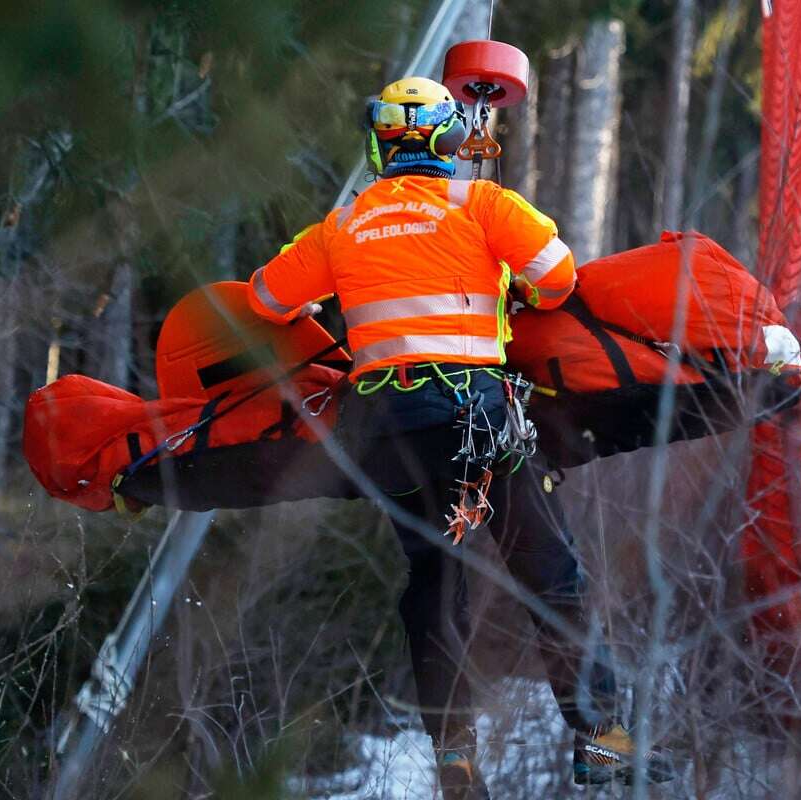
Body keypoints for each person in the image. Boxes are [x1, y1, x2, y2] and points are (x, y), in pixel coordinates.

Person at [247, 76, 675, 797]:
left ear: (380, 145)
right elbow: (560, 279)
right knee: (549, 572)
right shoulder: (481, 204)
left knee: (434, 580)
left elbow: (264, 298)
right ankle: (600, 736)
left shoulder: (342, 226)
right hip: (477, 419)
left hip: (386, 431)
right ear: (448, 144)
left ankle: (453, 754)